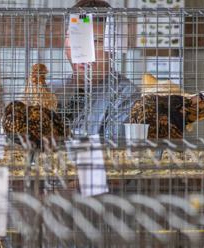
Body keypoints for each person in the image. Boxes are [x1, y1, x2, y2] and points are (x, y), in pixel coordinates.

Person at [51, 0, 139, 142]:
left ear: (113, 46)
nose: (84, 51)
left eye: (96, 41)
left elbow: (115, 152)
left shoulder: (126, 95)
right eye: (76, 38)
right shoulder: (50, 89)